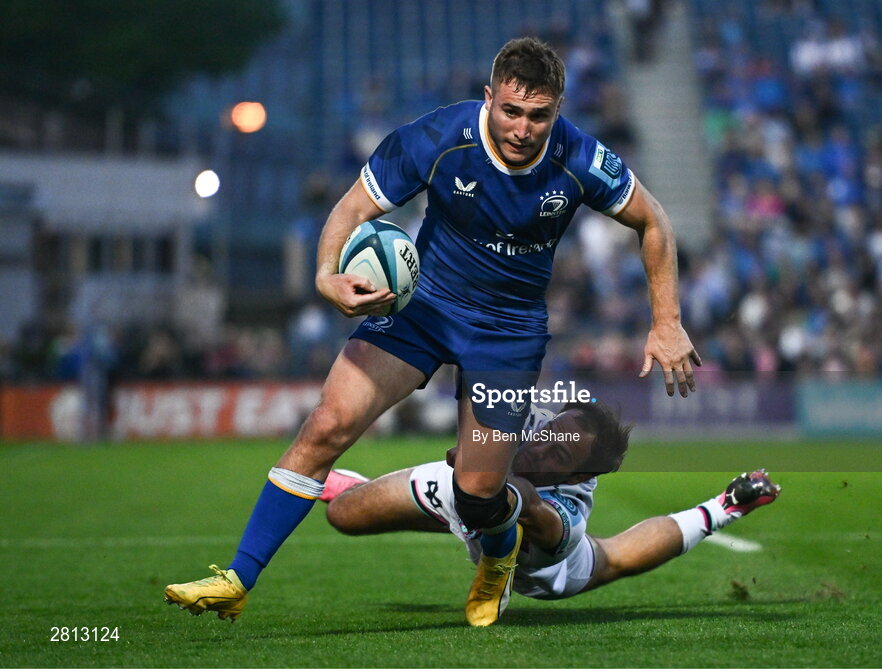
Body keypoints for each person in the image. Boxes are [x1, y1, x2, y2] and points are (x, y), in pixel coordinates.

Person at [164, 37, 701, 627]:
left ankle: (498, 557)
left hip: (509, 333)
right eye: (512, 111)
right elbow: (350, 211)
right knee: (325, 426)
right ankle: (239, 579)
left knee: (477, 490)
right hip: (425, 307)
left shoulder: (580, 158)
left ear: (559, 109)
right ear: (489, 97)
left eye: (540, 115)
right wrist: (326, 275)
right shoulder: (437, 139)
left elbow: (653, 220)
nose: (524, 128)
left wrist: (667, 320)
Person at [321, 401, 780, 606]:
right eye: (549, 433)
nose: (541, 447)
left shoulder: (570, 512)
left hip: (532, 567)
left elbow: (536, 514)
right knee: (341, 514)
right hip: (472, 490)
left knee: (613, 558)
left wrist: (498, 481)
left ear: (578, 476)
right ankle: (383, 490)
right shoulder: (528, 420)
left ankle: (725, 505)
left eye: (558, 455)